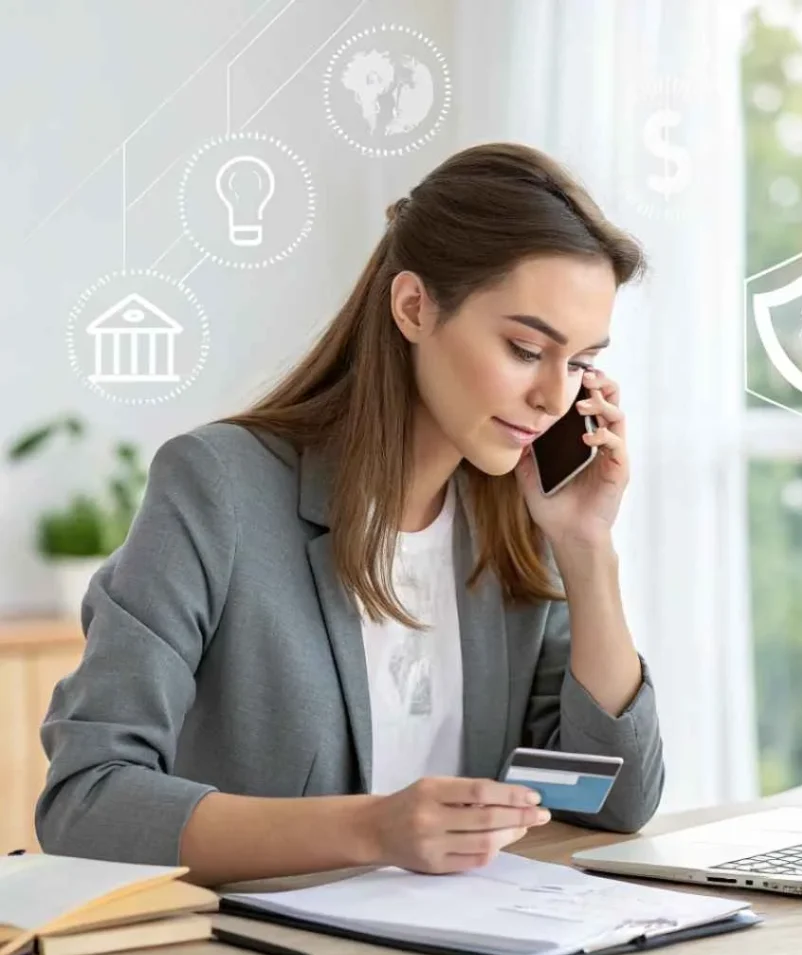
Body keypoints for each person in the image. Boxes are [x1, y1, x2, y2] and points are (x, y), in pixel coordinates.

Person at [36, 142, 665, 887]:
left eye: (583, 363)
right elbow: (87, 801)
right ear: (413, 307)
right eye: (527, 348)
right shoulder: (219, 489)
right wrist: (374, 827)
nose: (555, 396)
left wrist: (588, 549)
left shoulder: (518, 522)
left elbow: (616, 802)